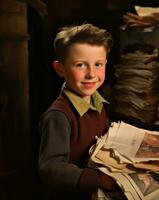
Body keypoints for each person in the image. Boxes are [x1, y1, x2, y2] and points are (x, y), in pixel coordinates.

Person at [38, 23, 119, 200]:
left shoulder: (96, 101)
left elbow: (101, 129)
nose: (91, 74)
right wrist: (99, 180)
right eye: (81, 65)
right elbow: (51, 168)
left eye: (98, 64)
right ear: (60, 69)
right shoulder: (58, 116)